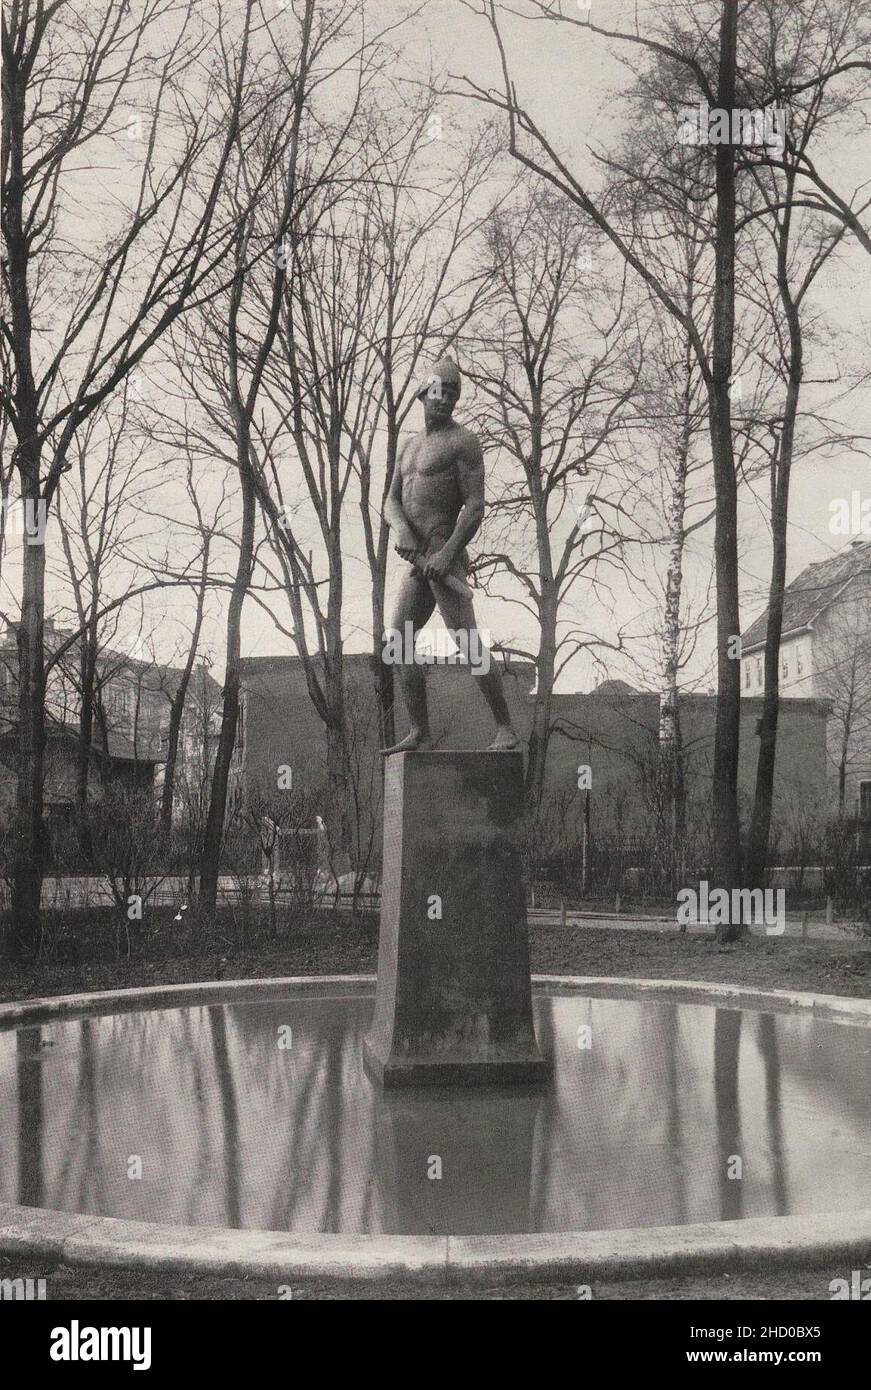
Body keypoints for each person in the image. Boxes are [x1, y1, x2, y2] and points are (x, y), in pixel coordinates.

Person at [381, 355, 519, 754]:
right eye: (439, 392)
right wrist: (403, 529)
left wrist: (448, 555)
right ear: (423, 394)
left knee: (469, 642)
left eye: (453, 394)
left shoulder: (463, 442)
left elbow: (475, 506)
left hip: (445, 555)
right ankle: (420, 731)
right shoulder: (407, 448)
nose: (445, 400)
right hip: (418, 560)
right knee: (399, 642)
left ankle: (506, 728)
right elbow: (390, 501)